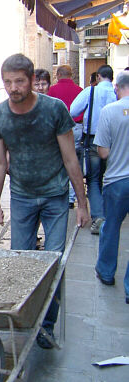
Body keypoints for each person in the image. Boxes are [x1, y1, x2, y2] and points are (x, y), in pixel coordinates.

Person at [0, 54, 89, 349]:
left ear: (32, 80)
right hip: (21, 194)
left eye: (19, 81)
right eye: (7, 82)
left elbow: (70, 158)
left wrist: (82, 205)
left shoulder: (54, 109)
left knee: (53, 262)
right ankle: (25, 316)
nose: (13, 87)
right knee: (21, 260)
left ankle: (46, 324)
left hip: (55, 194)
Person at [93, 70, 129, 303]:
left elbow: (103, 151)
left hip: (117, 180)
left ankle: (106, 272)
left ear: (117, 87)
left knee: (111, 227)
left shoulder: (110, 111)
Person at [71, 65, 117, 234]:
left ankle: (99, 216)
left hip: (92, 140)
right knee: (110, 177)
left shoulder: (91, 92)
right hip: (113, 141)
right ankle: (111, 215)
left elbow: (74, 110)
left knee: (93, 179)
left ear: (98, 77)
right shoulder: (117, 93)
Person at [48, 65, 84, 209]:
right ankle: (71, 197)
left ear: (57, 75)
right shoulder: (80, 91)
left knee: (60, 160)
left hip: (57, 130)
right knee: (73, 160)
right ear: (71, 75)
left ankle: (62, 191)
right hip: (76, 127)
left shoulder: (52, 90)